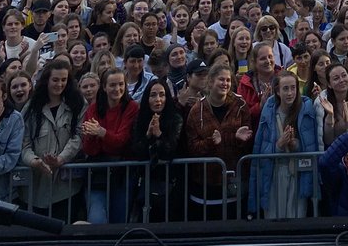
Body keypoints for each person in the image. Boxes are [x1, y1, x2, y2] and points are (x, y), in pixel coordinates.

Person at [182, 62, 253, 217]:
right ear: (211, 81)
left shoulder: (240, 105)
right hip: (206, 182)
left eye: (228, 80)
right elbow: (192, 147)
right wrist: (210, 143)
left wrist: (237, 139)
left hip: (234, 179)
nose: (225, 83)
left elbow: (247, 143)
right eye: (221, 79)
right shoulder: (197, 111)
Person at [248, 71, 318, 219]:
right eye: (285, 88)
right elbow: (260, 146)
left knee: (297, 216)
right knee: (274, 216)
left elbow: (311, 146)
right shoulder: (269, 110)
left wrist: (294, 144)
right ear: (278, 91)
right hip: (275, 172)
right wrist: (279, 145)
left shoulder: (306, 109)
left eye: (293, 88)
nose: (290, 93)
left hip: (297, 173)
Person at [21, 58, 85, 220]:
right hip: (36, 186)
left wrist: (61, 158)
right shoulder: (31, 107)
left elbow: (79, 136)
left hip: (66, 187)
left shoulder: (78, 103)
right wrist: (34, 161)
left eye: (63, 80)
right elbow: (24, 142)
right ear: (47, 80)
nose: (59, 84)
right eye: (55, 80)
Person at [80, 67, 139, 223]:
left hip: (123, 172)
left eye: (121, 84)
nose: (117, 89)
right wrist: (98, 137)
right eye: (112, 85)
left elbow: (121, 141)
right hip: (98, 172)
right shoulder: (93, 108)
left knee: (119, 220)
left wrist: (101, 132)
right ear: (104, 87)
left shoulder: (132, 107)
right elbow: (89, 148)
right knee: (96, 219)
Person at [131, 79, 183, 220]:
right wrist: (148, 135)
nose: (158, 99)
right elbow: (136, 150)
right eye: (153, 95)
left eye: (162, 94)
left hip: (171, 183)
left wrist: (159, 134)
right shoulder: (140, 118)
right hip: (145, 183)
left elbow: (172, 149)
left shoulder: (175, 118)